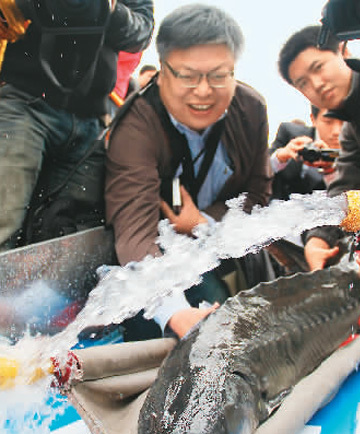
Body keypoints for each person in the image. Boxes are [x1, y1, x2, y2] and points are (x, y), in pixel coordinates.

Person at [105, 3, 272, 340]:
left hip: (225, 245)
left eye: (218, 75)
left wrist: (202, 223)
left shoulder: (251, 109)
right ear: (164, 71)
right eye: (187, 76)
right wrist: (175, 312)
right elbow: (134, 230)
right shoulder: (135, 126)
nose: (203, 92)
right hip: (155, 261)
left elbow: (258, 195)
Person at [0, 0, 154, 248]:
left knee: (63, 238)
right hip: (24, 103)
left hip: (91, 121)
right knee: (3, 223)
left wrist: (109, 9)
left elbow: (143, 30)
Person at [277, 25, 360, 269]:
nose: (316, 84)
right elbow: (348, 190)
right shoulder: (354, 129)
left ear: (344, 51)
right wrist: (319, 239)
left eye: (318, 67)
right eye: (303, 83)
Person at [270, 105, 343, 200]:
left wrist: (330, 171)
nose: (336, 131)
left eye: (344, 123)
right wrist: (279, 158)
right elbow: (258, 169)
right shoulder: (290, 134)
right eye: (328, 122)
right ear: (313, 119)